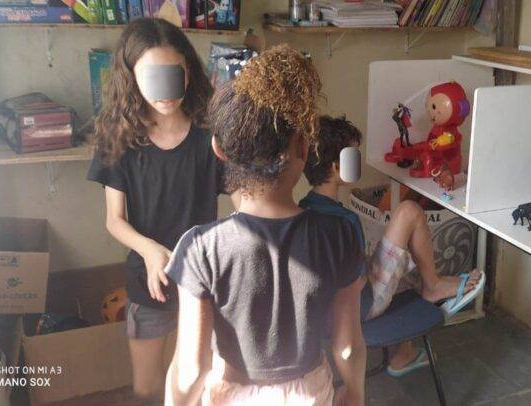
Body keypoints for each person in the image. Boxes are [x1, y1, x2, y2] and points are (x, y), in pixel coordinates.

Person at [165, 45, 367, 406]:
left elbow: (191, 371)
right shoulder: (340, 234)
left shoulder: (200, 249)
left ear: (219, 149)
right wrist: (355, 394)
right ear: (303, 148)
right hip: (310, 392)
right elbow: (348, 347)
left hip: (234, 395)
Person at [86, 18, 225, 400]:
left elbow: (243, 200)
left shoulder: (209, 134)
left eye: (172, 74)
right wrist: (149, 251)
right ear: (131, 77)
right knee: (147, 387)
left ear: (188, 73)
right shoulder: (120, 137)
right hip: (150, 282)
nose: (164, 91)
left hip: (203, 279)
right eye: (151, 76)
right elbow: (114, 220)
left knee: (196, 382)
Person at [300, 115, 484, 377]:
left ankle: (403, 354)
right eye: (354, 156)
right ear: (336, 166)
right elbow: (358, 281)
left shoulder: (302, 210)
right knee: (409, 212)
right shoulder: (345, 220)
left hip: (323, 318)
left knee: (397, 260)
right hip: (357, 309)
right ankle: (433, 286)